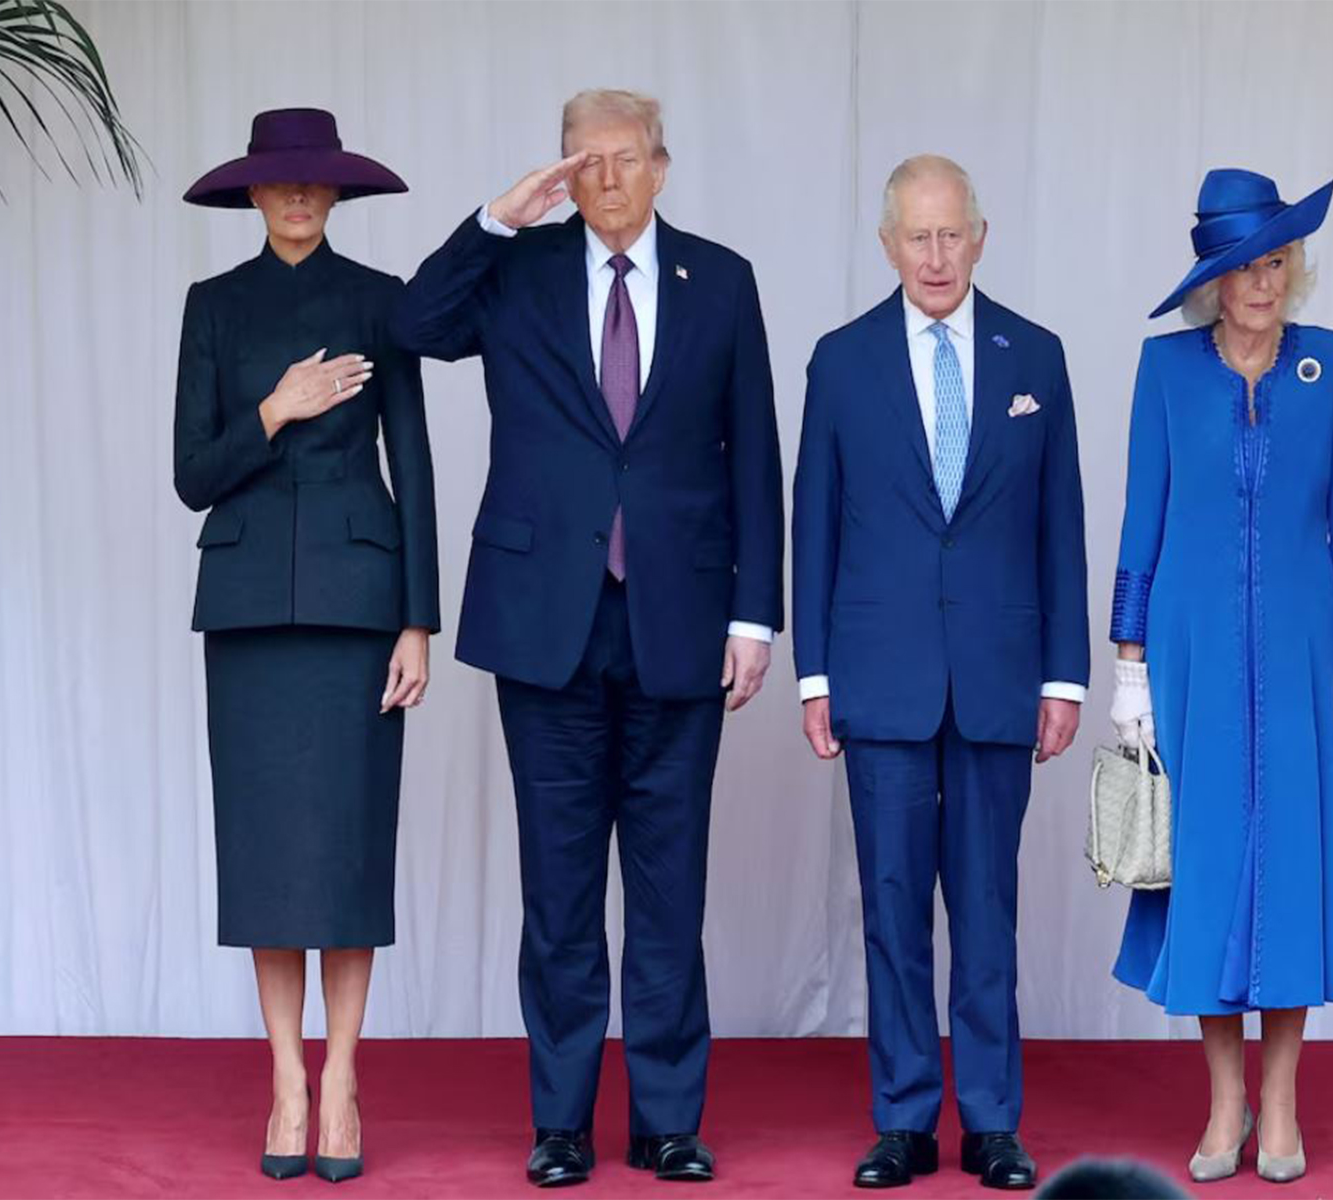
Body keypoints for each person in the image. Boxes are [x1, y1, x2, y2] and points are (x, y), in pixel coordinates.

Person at [392, 89, 783, 1187]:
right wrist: (497, 218)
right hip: (544, 623)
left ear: (662, 164)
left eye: (624, 156)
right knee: (558, 893)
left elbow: (752, 450)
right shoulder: (514, 269)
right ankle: (559, 1122)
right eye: (582, 160)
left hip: (682, 622)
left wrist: (755, 616)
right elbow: (413, 326)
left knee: (669, 892)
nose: (605, 176)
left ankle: (665, 1121)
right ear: (560, 170)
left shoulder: (723, 279)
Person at [793, 155, 1089, 1190]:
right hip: (878, 680)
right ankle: (905, 1121)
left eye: (950, 233)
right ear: (887, 244)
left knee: (986, 911)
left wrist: (1064, 678)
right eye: (915, 236)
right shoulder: (839, 361)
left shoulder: (1036, 358)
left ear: (979, 235)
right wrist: (812, 676)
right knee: (889, 908)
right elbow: (813, 527)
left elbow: (1062, 528)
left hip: (1002, 679)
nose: (934, 254)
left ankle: (993, 1122)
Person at [1108, 168, 1333, 1185]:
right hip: (1190, 653)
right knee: (1214, 868)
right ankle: (1223, 1104)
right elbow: (1144, 514)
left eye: (1275, 262)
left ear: (1292, 268)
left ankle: (1280, 1107)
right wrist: (1128, 668)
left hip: (1305, 650)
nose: (1262, 283)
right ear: (1210, 280)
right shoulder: (1168, 371)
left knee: (1293, 868)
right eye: (1242, 267)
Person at [176, 107, 438, 1183]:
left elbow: (414, 465)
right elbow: (194, 473)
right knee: (270, 860)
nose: (296, 199)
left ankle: (343, 1077)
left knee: (343, 850)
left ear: (335, 195)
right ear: (252, 194)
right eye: (278, 185)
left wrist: (419, 618)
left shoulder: (381, 304)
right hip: (244, 614)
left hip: (356, 608)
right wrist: (276, 410)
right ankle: (285, 1078)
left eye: (313, 185)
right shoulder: (213, 307)